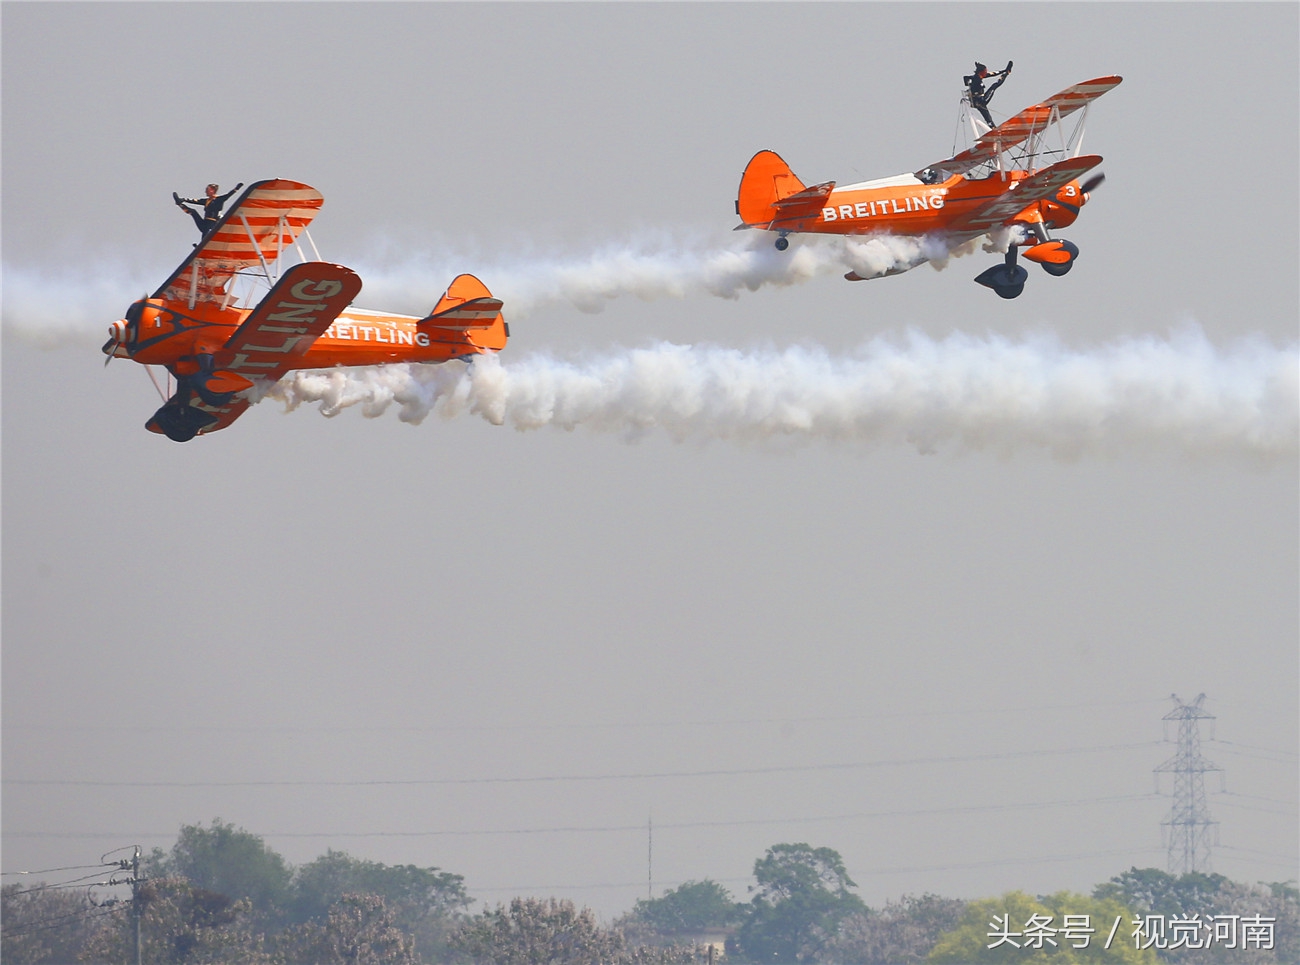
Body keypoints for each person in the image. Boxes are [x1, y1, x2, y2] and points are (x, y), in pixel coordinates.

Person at [173, 182, 244, 235]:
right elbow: (196, 201)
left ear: (212, 190)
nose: (205, 191)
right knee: (193, 211)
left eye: (207, 189)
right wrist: (183, 199)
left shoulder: (219, 199)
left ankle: (203, 243)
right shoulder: (207, 201)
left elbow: (228, 195)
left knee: (206, 233)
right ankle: (179, 204)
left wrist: (236, 188)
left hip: (212, 224)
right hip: (204, 223)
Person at [963, 61, 1012, 127]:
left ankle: (993, 128)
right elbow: (967, 78)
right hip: (982, 100)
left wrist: (1004, 70)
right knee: (994, 86)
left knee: (987, 117)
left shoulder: (977, 76)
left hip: (977, 102)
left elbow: (992, 74)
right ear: (981, 72)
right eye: (985, 71)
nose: (986, 72)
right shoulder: (977, 79)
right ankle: (1006, 73)